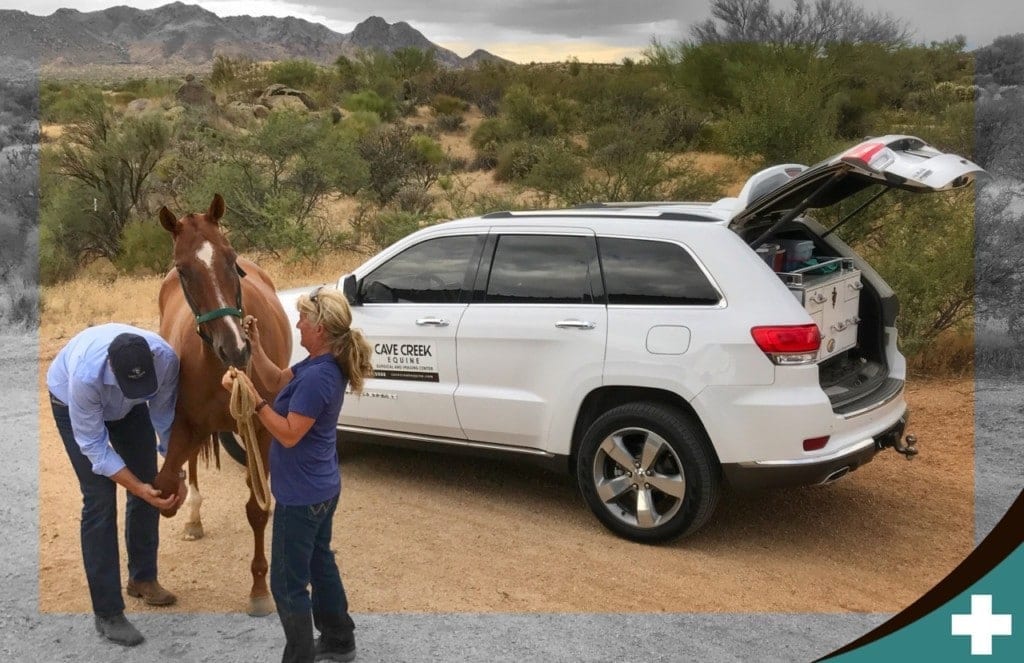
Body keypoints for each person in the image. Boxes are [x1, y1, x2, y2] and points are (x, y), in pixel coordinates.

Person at [222, 286, 372, 663]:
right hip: (319, 489)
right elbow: (276, 382)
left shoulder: (318, 378)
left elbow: (288, 433)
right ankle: (339, 639)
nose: (298, 324)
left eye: (303, 318)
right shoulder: (316, 365)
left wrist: (251, 398)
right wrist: (255, 346)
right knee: (320, 562)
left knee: (287, 584)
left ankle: (300, 656)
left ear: (320, 329)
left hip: (302, 497)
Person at [47, 323, 187, 647]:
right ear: (112, 369)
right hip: (69, 404)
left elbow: (164, 416)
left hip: (128, 410)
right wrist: (136, 487)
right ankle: (108, 614)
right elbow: (95, 449)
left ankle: (143, 577)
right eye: (129, 385)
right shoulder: (84, 377)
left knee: (150, 479)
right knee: (99, 500)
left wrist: (175, 471)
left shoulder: (164, 357)